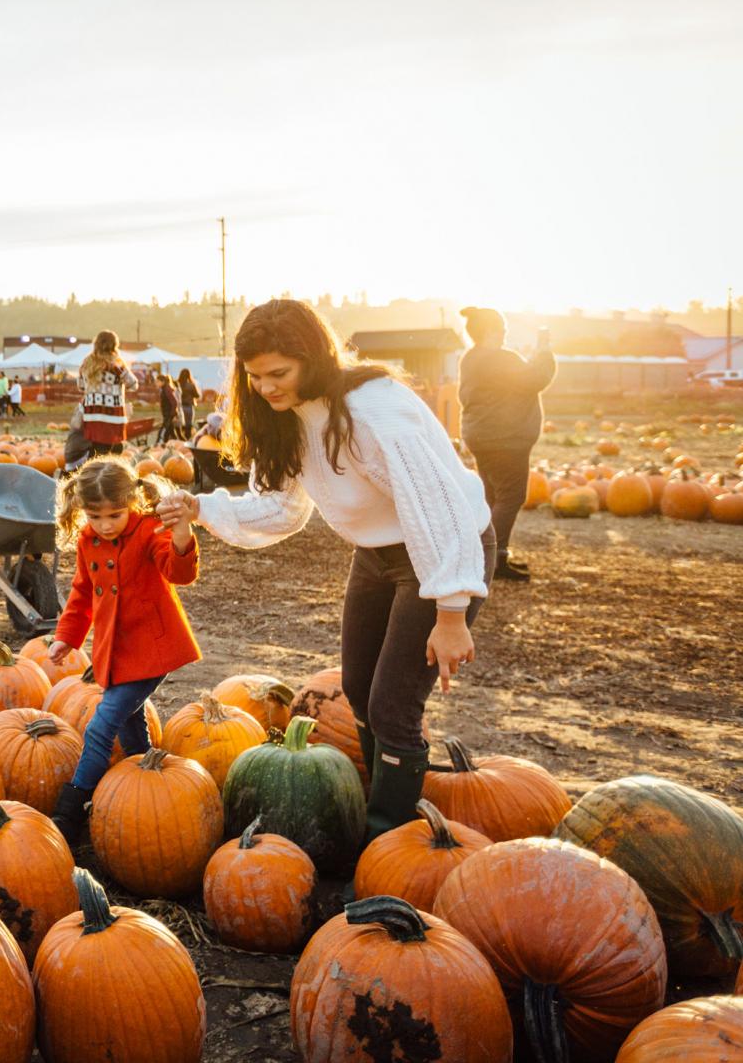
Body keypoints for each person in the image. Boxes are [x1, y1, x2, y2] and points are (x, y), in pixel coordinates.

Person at [156, 299, 494, 837]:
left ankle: (391, 836)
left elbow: (438, 506)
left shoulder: (374, 409)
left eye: (279, 374)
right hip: (379, 554)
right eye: (255, 377)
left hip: (443, 549)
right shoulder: (286, 418)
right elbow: (281, 509)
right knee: (358, 688)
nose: (266, 388)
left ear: (312, 358)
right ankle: (376, 796)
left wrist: (451, 612)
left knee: (393, 705)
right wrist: (203, 508)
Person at [46, 457, 200, 843]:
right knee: (131, 723)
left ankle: (71, 813)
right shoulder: (88, 540)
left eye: (114, 515)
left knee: (101, 726)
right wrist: (67, 635)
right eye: (95, 516)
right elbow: (83, 593)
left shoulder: (149, 529)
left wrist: (182, 534)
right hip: (116, 652)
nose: (105, 525)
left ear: (131, 501)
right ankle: (152, 780)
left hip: (152, 650)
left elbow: (178, 572)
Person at [459, 307, 556, 582]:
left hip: (480, 435)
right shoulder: (500, 358)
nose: (504, 335)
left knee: (492, 497)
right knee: (511, 496)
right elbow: (535, 379)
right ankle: (495, 558)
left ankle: (484, 557)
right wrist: (544, 351)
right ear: (491, 331)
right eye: (502, 330)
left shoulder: (471, 358)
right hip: (505, 438)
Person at [77, 330, 136, 458]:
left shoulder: (86, 363)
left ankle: (92, 473)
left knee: (97, 447)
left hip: (92, 414)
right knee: (114, 449)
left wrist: (95, 388)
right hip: (113, 414)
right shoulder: (117, 364)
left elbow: (80, 386)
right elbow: (133, 384)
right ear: (114, 345)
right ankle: (99, 474)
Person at [155, 368, 181, 445]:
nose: (156, 383)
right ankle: (174, 444)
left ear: (162, 382)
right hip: (167, 414)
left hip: (169, 414)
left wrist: (173, 414)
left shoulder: (167, 389)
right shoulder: (164, 389)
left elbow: (174, 402)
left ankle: (157, 444)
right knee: (171, 432)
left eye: (157, 381)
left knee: (163, 430)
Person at [176, 368, 200, 439]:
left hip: (179, 407)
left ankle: (181, 438)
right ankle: (187, 437)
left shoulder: (177, 384)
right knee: (188, 425)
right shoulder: (191, 385)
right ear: (189, 375)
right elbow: (197, 395)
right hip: (189, 406)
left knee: (180, 424)